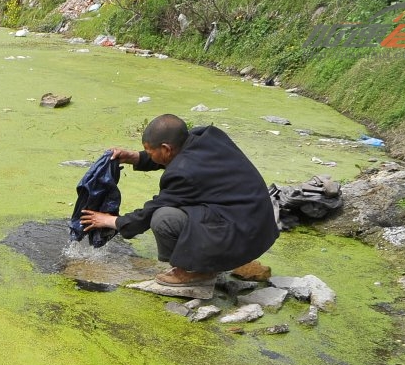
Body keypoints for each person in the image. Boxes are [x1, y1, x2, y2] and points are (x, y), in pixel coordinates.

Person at [80, 114, 279, 286]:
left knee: (163, 218)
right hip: (257, 223)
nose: (148, 155)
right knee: (179, 211)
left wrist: (110, 221)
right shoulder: (206, 136)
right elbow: (178, 157)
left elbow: (149, 212)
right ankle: (214, 260)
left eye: (149, 152)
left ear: (166, 148)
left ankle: (193, 273)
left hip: (243, 233)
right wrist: (135, 157)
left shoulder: (183, 174)